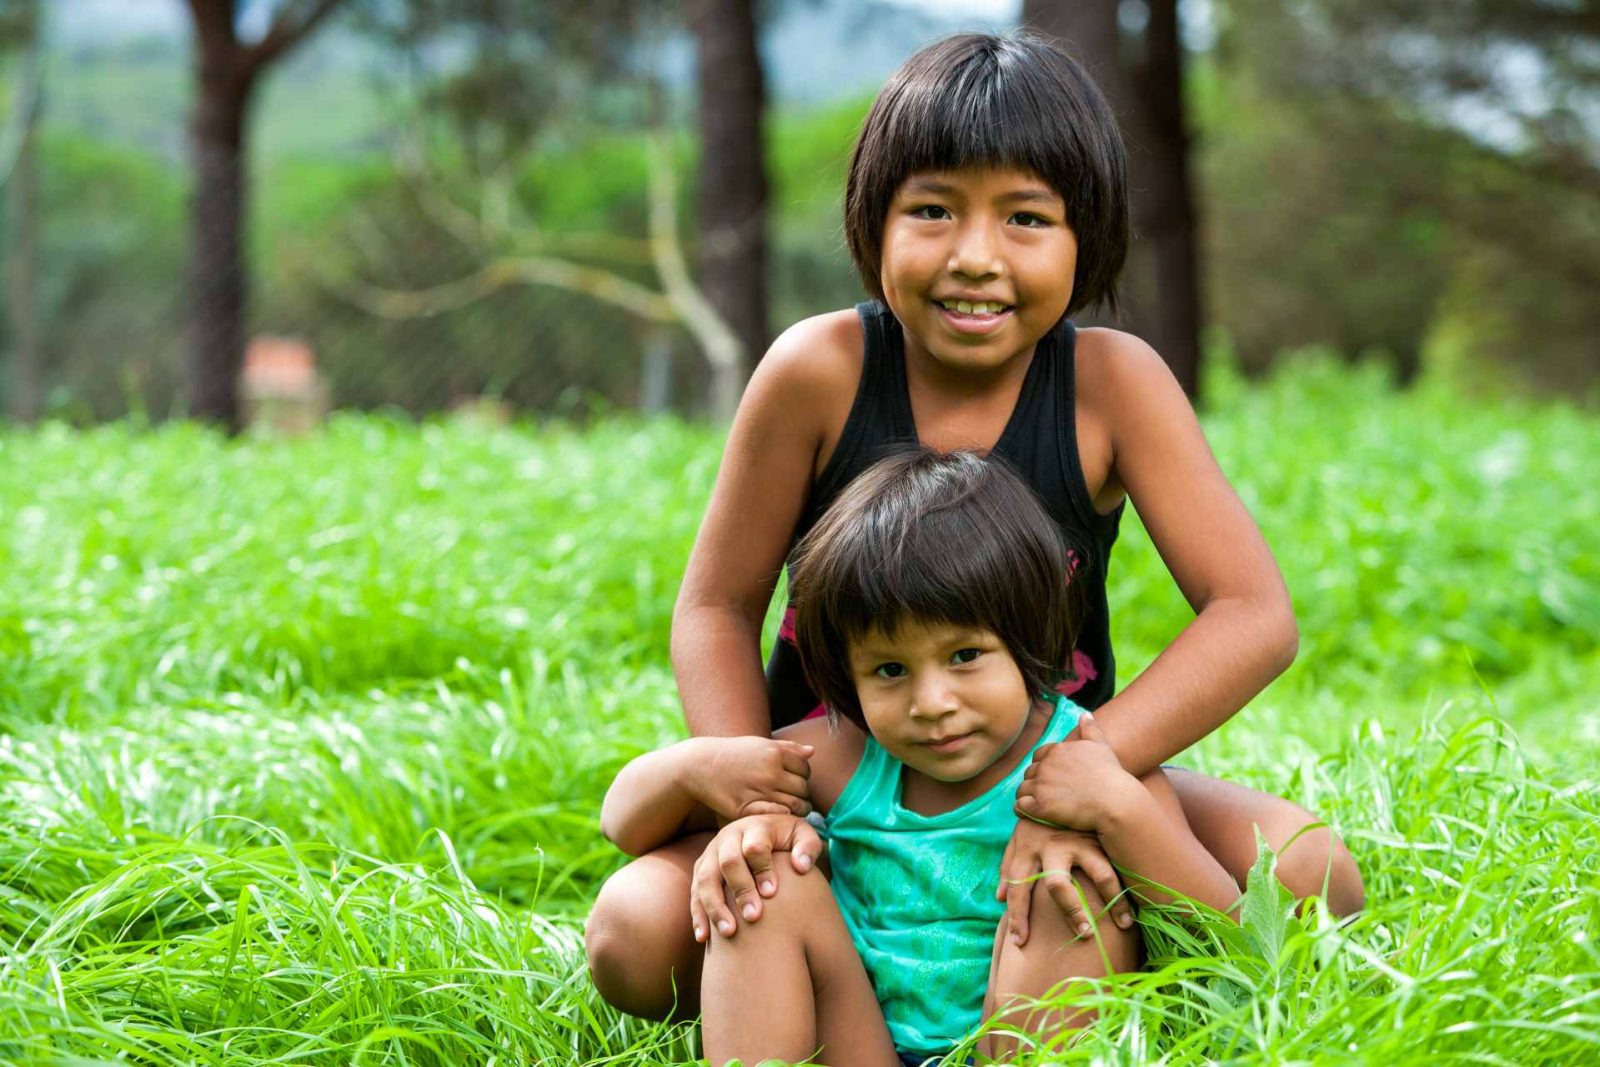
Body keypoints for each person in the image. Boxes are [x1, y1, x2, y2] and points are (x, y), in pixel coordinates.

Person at [585, 29, 1363, 1023]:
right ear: (873, 224)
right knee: (633, 934)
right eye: (933, 211)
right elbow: (716, 604)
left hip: (1041, 767)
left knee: (1313, 870)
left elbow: (1252, 612)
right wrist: (761, 804)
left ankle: (1073, 946)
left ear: (1089, 238)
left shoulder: (1109, 385)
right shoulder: (816, 370)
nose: (975, 257)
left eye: (1026, 218)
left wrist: (1082, 776)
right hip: (846, 787)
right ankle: (837, 960)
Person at [601, 450, 1243, 1066]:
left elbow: (1226, 936)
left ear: (1028, 637)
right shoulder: (844, 758)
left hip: (1021, 1043)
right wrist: (693, 766)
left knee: (1071, 881)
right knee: (760, 875)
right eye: (889, 669)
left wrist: (1120, 809)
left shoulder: (1088, 766)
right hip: (862, 1045)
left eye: (965, 656)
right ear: (846, 677)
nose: (931, 703)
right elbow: (624, 825)